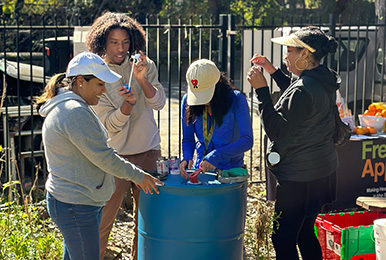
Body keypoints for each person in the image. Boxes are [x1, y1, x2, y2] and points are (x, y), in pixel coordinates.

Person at [35, 51, 163, 260]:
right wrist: (140, 176)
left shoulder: (74, 106)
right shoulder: (73, 112)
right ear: (80, 82)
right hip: (75, 204)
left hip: (78, 200)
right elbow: (104, 157)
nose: (103, 91)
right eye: (100, 85)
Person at [247, 26, 339, 260]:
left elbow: (277, 131)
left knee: (283, 237)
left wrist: (262, 91)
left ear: (305, 55)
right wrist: (272, 71)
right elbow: (297, 98)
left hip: (300, 178)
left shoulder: (305, 88)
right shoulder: (322, 78)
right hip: (320, 171)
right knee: (305, 232)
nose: (285, 56)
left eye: (289, 51)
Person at [85, 12, 166, 260]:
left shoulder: (144, 65)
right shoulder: (96, 72)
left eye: (125, 42)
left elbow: (159, 103)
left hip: (148, 152)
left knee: (148, 223)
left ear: (133, 42)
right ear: (102, 42)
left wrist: (141, 80)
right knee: (103, 221)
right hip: (114, 157)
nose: (121, 48)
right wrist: (127, 106)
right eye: (114, 42)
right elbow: (110, 125)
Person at [179, 59, 253, 178]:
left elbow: (247, 141)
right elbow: (188, 139)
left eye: (205, 94)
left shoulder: (237, 99)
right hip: (200, 172)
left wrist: (217, 155)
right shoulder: (187, 101)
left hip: (230, 173)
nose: (201, 101)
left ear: (218, 84)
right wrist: (186, 158)